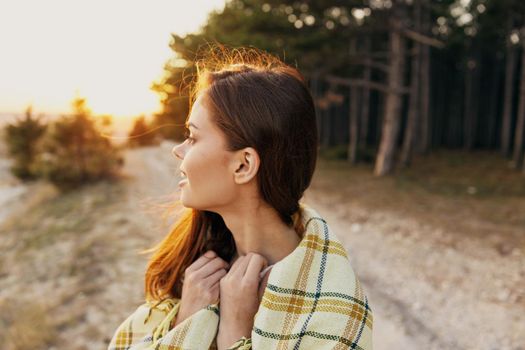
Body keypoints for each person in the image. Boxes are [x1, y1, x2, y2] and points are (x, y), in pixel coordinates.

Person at [107, 47, 373, 350]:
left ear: (244, 165)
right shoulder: (200, 260)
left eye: (193, 137)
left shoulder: (336, 315)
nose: (178, 150)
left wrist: (234, 333)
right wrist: (185, 320)